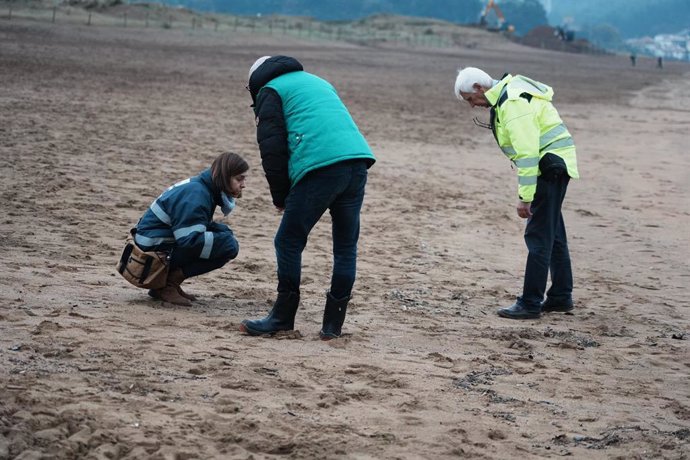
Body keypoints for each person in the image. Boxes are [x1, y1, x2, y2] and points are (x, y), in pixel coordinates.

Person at [240, 55, 376, 339]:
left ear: (255, 81)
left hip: (321, 168)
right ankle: (332, 326)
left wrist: (280, 196)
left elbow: (273, 149)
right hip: (357, 162)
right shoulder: (318, 81)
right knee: (345, 247)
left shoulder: (270, 91)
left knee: (288, 240)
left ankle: (282, 316)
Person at [454, 67, 579, 320]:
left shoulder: (512, 102)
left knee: (538, 237)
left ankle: (531, 302)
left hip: (549, 167)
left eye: (470, 99)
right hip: (557, 164)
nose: (472, 105)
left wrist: (525, 197)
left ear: (479, 87)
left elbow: (528, 153)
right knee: (553, 234)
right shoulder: (510, 94)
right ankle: (560, 297)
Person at [132, 152, 248, 306]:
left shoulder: (202, 186)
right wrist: (226, 242)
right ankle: (167, 285)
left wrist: (223, 233)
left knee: (224, 236)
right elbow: (188, 241)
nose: (243, 185)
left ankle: (164, 283)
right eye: (239, 179)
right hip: (148, 256)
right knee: (228, 246)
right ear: (224, 176)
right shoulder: (197, 193)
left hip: (151, 245)